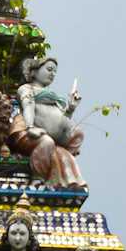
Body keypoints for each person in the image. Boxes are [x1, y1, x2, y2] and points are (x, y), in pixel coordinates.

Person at [11, 56, 86, 189]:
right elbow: (28, 104)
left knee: (79, 133)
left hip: (55, 136)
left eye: (55, 72)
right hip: (29, 132)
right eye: (49, 69)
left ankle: (59, 164)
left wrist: (70, 108)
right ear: (33, 72)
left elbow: (63, 119)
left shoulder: (54, 97)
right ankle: (39, 178)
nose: (53, 74)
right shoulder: (27, 89)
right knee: (46, 142)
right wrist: (30, 127)